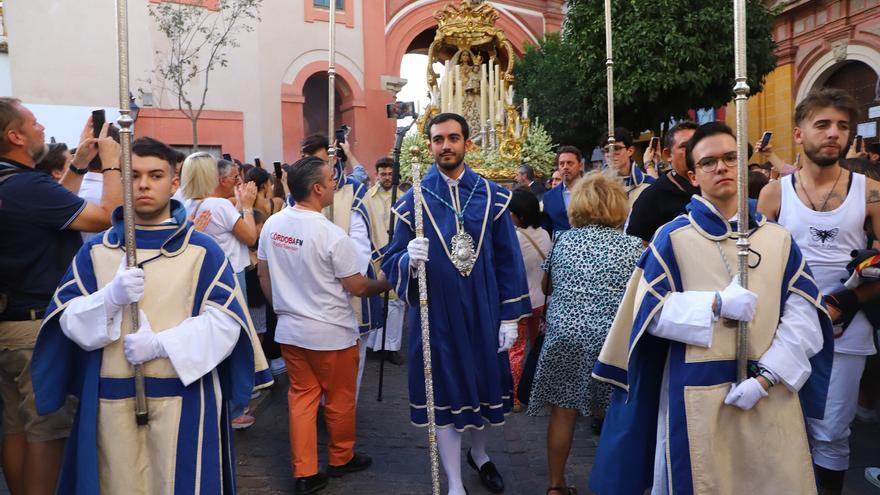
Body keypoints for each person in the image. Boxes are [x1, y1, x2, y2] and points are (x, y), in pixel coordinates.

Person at [591, 122, 834, 495]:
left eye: (730, 158)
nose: (721, 167)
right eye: (708, 162)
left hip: (769, 391)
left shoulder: (778, 239)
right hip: (696, 397)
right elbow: (649, 315)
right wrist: (714, 304)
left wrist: (767, 377)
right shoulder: (671, 238)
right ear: (692, 175)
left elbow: (804, 318)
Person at [31, 136, 271, 493]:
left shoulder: (202, 251)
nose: (144, 184)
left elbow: (226, 324)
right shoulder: (98, 252)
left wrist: (161, 345)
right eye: (135, 175)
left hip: (186, 397)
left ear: (174, 182)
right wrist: (109, 299)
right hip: (110, 400)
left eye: (156, 175)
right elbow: (66, 319)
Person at [382, 113, 532, 495]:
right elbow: (390, 260)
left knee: (486, 387)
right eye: (437, 139)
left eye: (452, 138)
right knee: (445, 393)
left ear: (467, 143)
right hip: (439, 318)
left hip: (484, 311)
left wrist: (510, 317)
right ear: (429, 145)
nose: (445, 145)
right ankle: (453, 482)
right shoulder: (412, 199)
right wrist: (406, 258)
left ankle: (479, 455)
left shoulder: (493, 196)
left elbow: (507, 259)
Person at [757, 88, 880, 494]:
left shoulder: (872, 193)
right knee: (782, 427)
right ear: (798, 134)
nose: (833, 134)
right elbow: (758, 263)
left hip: (847, 331)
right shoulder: (775, 193)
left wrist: (847, 301)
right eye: (822, 124)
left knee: (831, 433)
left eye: (842, 126)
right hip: (787, 329)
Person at [0, 99, 123, 495]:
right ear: (14, 135)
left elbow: (52, 213)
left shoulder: (14, 185)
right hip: (36, 329)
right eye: (34, 123)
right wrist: (114, 164)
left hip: (8, 324)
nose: (42, 129)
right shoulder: (28, 186)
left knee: (17, 426)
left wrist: (79, 166)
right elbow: (110, 217)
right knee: (47, 430)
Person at [257, 155, 390, 495]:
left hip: (291, 330)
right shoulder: (331, 234)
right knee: (340, 399)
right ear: (317, 189)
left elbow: (263, 272)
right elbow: (358, 286)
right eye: (331, 180)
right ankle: (340, 458)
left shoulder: (273, 224)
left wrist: (282, 307)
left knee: (301, 399)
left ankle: (305, 471)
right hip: (331, 333)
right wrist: (385, 283)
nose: (335, 184)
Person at [529, 171, 642, 495]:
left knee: (563, 413)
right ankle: (611, 485)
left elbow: (547, 286)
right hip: (611, 341)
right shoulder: (634, 247)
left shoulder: (563, 240)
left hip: (565, 336)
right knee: (614, 417)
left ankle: (555, 486)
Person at [300, 134, 382, 398]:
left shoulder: (353, 190)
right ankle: (324, 406)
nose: (314, 168)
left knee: (351, 357)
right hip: (312, 289)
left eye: (320, 161)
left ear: (333, 159)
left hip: (349, 286)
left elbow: (360, 246)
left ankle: (346, 407)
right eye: (309, 161)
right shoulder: (299, 193)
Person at [507, 187, 551, 412]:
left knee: (516, 351)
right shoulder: (544, 234)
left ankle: (514, 397)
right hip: (542, 302)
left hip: (521, 302)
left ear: (519, 215)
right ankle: (537, 393)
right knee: (537, 350)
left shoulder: (513, 238)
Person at [626, 121, 699, 244]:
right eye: (685, 146)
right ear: (668, 154)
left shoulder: (714, 187)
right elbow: (636, 245)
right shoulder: (652, 196)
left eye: (698, 145)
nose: (693, 151)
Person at [364, 157, 405, 365]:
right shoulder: (368, 198)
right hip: (374, 255)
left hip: (396, 255)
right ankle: (375, 345)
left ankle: (392, 347)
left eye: (390, 174)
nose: (387, 177)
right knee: (376, 300)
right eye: (383, 174)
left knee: (396, 302)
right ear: (377, 174)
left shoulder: (405, 197)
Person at [600, 127, 655, 212]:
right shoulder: (596, 186)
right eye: (607, 150)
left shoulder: (649, 184)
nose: (611, 154)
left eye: (616, 148)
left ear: (630, 151)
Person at [542, 146, 584, 238]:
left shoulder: (594, 192)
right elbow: (546, 229)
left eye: (570, 163)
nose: (565, 167)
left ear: (580, 166)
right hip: (561, 249)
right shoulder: (549, 197)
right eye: (562, 164)